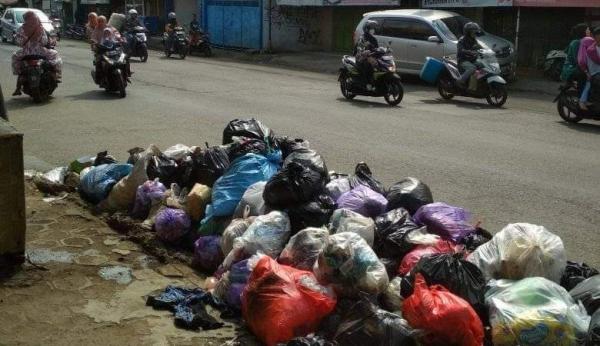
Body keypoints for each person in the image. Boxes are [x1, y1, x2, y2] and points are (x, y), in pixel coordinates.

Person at [11, 11, 62, 96]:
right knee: (55, 55)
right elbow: (44, 41)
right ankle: (57, 75)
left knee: (14, 56)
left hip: (25, 53)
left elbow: (18, 42)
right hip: (40, 52)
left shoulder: (21, 28)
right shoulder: (40, 28)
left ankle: (18, 85)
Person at [578, 27, 600, 110]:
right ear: (594, 37)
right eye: (599, 36)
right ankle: (583, 100)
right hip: (594, 74)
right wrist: (587, 73)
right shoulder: (591, 50)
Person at [354, 20, 379, 90]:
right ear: (366, 29)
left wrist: (381, 50)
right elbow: (359, 47)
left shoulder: (373, 39)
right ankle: (367, 83)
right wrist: (364, 50)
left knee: (379, 64)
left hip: (370, 57)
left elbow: (376, 48)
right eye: (371, 28)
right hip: (361, 57)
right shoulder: (362, 38)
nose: (373, 30)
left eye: (373, 28)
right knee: (368, 65)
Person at [457, 22, 483, 88]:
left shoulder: (474, 40)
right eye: (473, 32)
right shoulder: (462, 40)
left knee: (483, 65)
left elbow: (480, 47)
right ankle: (460, 81)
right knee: (472, 68)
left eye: (476, 31)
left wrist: (486, 51)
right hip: (463, 60)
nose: (475, 33)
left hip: (472, 60)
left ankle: (476, 83)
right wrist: (469, 52)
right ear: (468, 32)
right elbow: (461, 50)